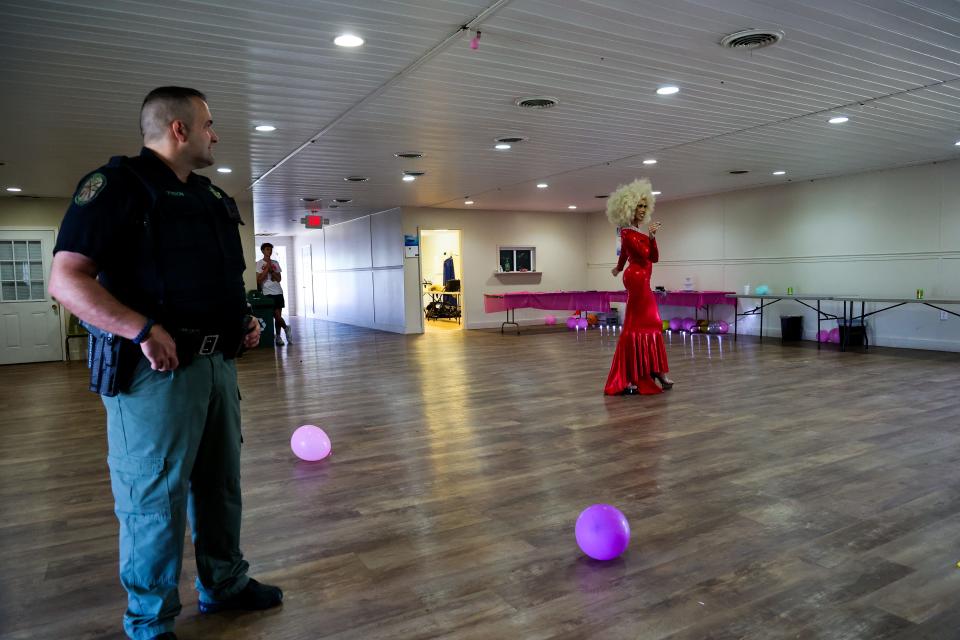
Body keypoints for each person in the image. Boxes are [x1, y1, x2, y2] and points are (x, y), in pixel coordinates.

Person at [49, 86, 282, 640]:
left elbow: (218, 280)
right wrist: (140, 328)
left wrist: (241, 322)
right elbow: (67, 280)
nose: (215, 135)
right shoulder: (116, 189)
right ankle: (150, 620)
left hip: (217, 366)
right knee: (153, 498)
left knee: (220, 484)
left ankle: (224, 585)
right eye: (208, 125)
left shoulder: (209, 197)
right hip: (154, 373)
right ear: (179, 129)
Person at [603, 178, 675, 395]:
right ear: (629, 209)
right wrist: (651, 237)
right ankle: (635, 374)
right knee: (643, 324)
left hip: (643, 278)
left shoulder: (638, 234)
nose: (642, 210)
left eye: (645, 206)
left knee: (650, 323)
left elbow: (654, 257)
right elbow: (644, 255)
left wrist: (617, 268)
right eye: (638, 206)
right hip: (636, 279)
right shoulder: (627, 233)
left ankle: (656, 371)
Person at [256, 242, 292, 345]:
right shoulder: (259, 264)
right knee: (275, 315)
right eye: (267, 249)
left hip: (278, 292)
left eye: (270, 249)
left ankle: (278, 337)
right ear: (263, 251)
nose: (269, 251)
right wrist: (266, 269)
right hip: (267, 293)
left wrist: (272, 271)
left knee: (278, 316)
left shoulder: (275, 263)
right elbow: (258, 280)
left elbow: (279, 279)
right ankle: (286, 328)